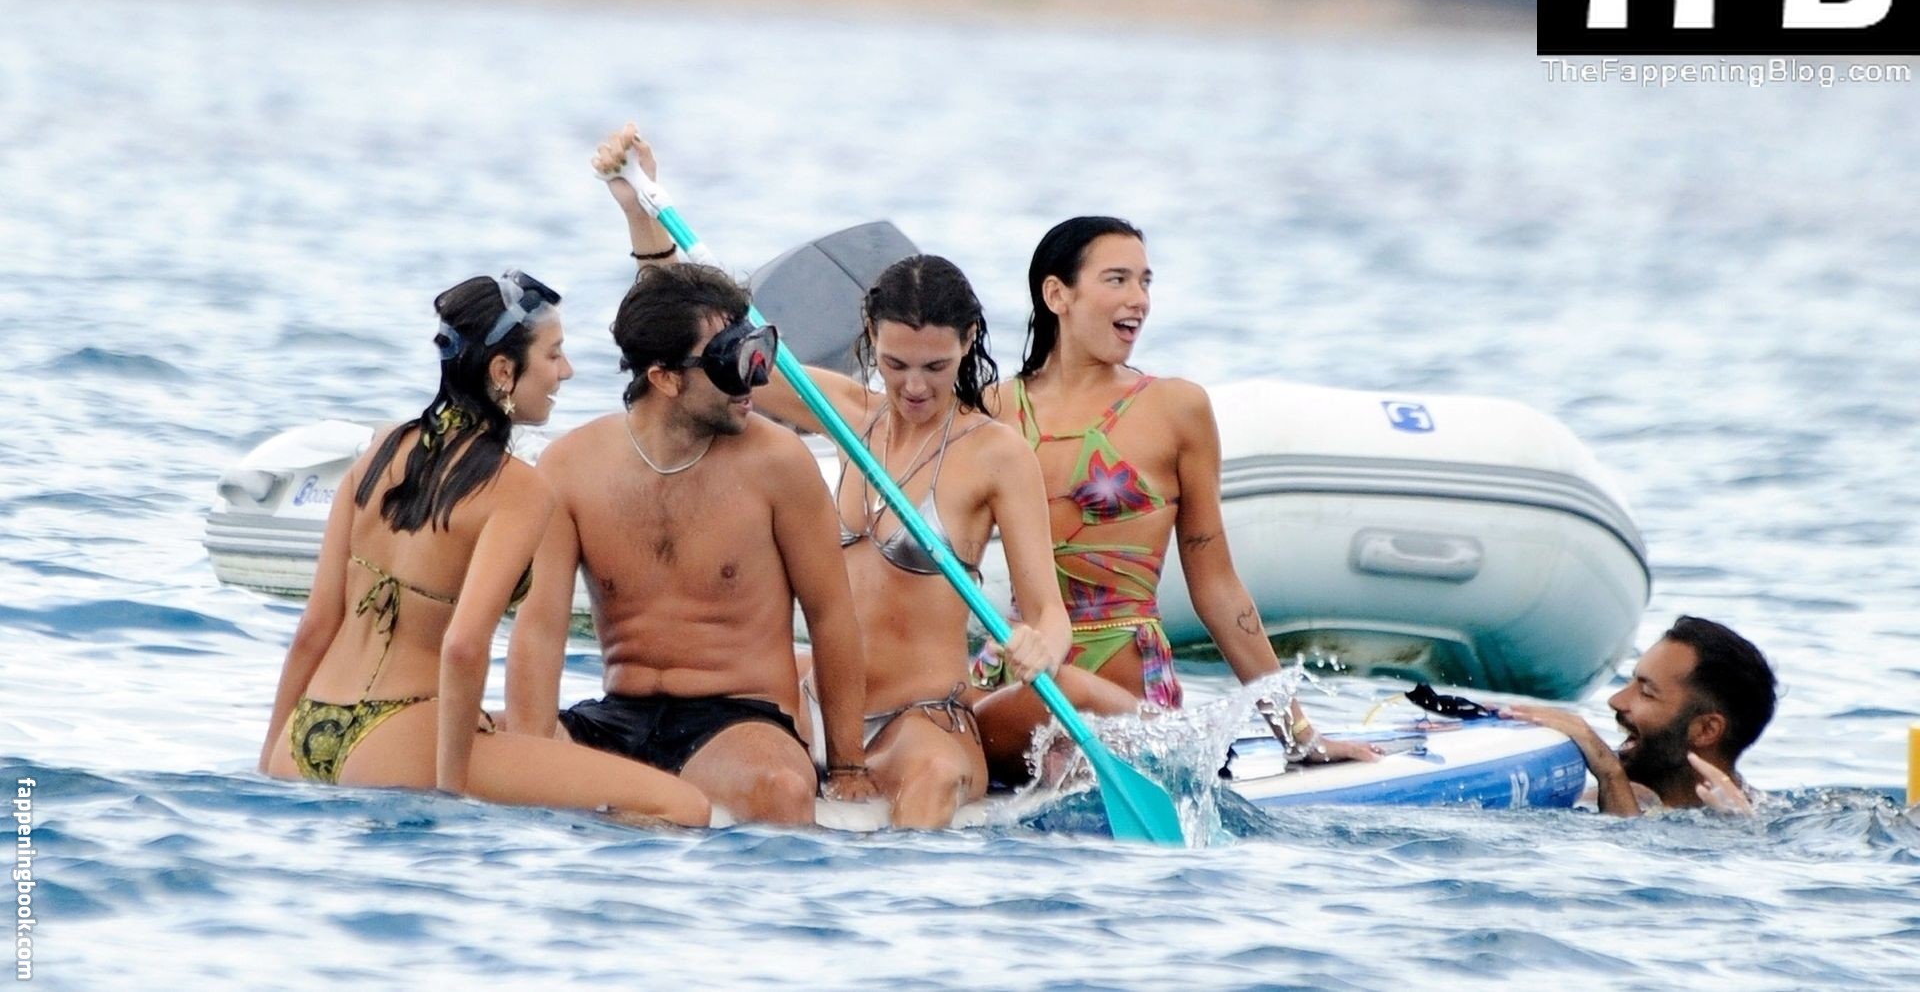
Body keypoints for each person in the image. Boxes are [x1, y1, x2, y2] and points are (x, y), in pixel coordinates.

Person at [582, 125, 1133, 823]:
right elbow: (692, 348)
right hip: (816, 708)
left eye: (936, 367)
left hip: (921, 722)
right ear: (869, 338)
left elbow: (1050, 616)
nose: (914, 387)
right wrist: (642, 215)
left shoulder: (995, 454)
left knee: (931, 782)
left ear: (967, 343)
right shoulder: (842, 414)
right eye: (896, 364)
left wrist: (1039, 646)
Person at [260, 271, 709, 828]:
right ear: (503, 371)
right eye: (554, 354)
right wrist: (455, 792)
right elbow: (463, 646)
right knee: (683, 807)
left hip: (305, 731)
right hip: (402, 740)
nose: (566, 371)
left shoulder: (376, 454)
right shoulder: (517, 488)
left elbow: (314, 627)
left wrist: (269, 759)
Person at [503, 227, 879, 824]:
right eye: (731, 361)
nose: (755, 378)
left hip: (737, 722)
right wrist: (529, 757)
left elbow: (832, 618)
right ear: (665, 378)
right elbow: (540, 629)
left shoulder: (779, 464)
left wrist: (849, 767)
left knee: (782, 788)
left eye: (757, 352)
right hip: (615, 716)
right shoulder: (571, 467)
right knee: (470, 742)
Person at [973, 216, 1377, 764]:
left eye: (1145, 282)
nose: (1138, 300)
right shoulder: (993, 410)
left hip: (1122, 694)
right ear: (1057, 295)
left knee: (1064, 711)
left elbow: (1217, 587)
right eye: (1117, 280)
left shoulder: (1176, 409)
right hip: (1012, 680)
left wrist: (1297, 734)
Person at [1506, 615, 1776, 816]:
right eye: (1630, 682)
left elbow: (1625, 850)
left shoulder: (1750, 821)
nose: (1616, 700)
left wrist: (1609, 774)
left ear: (1706, 730)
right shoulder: (1617, 798)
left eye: (1646, 693)